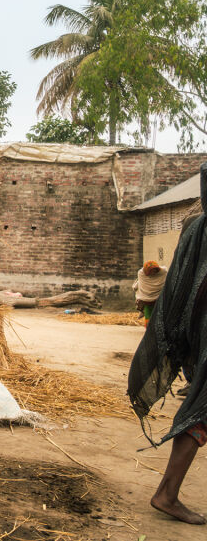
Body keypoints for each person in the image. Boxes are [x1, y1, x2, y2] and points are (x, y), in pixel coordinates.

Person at [129, 170, 207, 525]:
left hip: (195, 332)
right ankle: (166, 493)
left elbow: (181, 286)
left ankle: (168, 492)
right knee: (200, 410)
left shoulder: (195, 226)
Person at [132, 260, 167, 326]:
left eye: (154, 270)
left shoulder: (162, 272)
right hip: (146, 300)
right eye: (151, 271)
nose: (153, 272)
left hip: (158, 299)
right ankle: (149, 329)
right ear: (146, 271)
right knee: (148, 315)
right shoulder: (141, 274)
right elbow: (142, 285)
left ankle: (157, 327)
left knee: (158, 314)